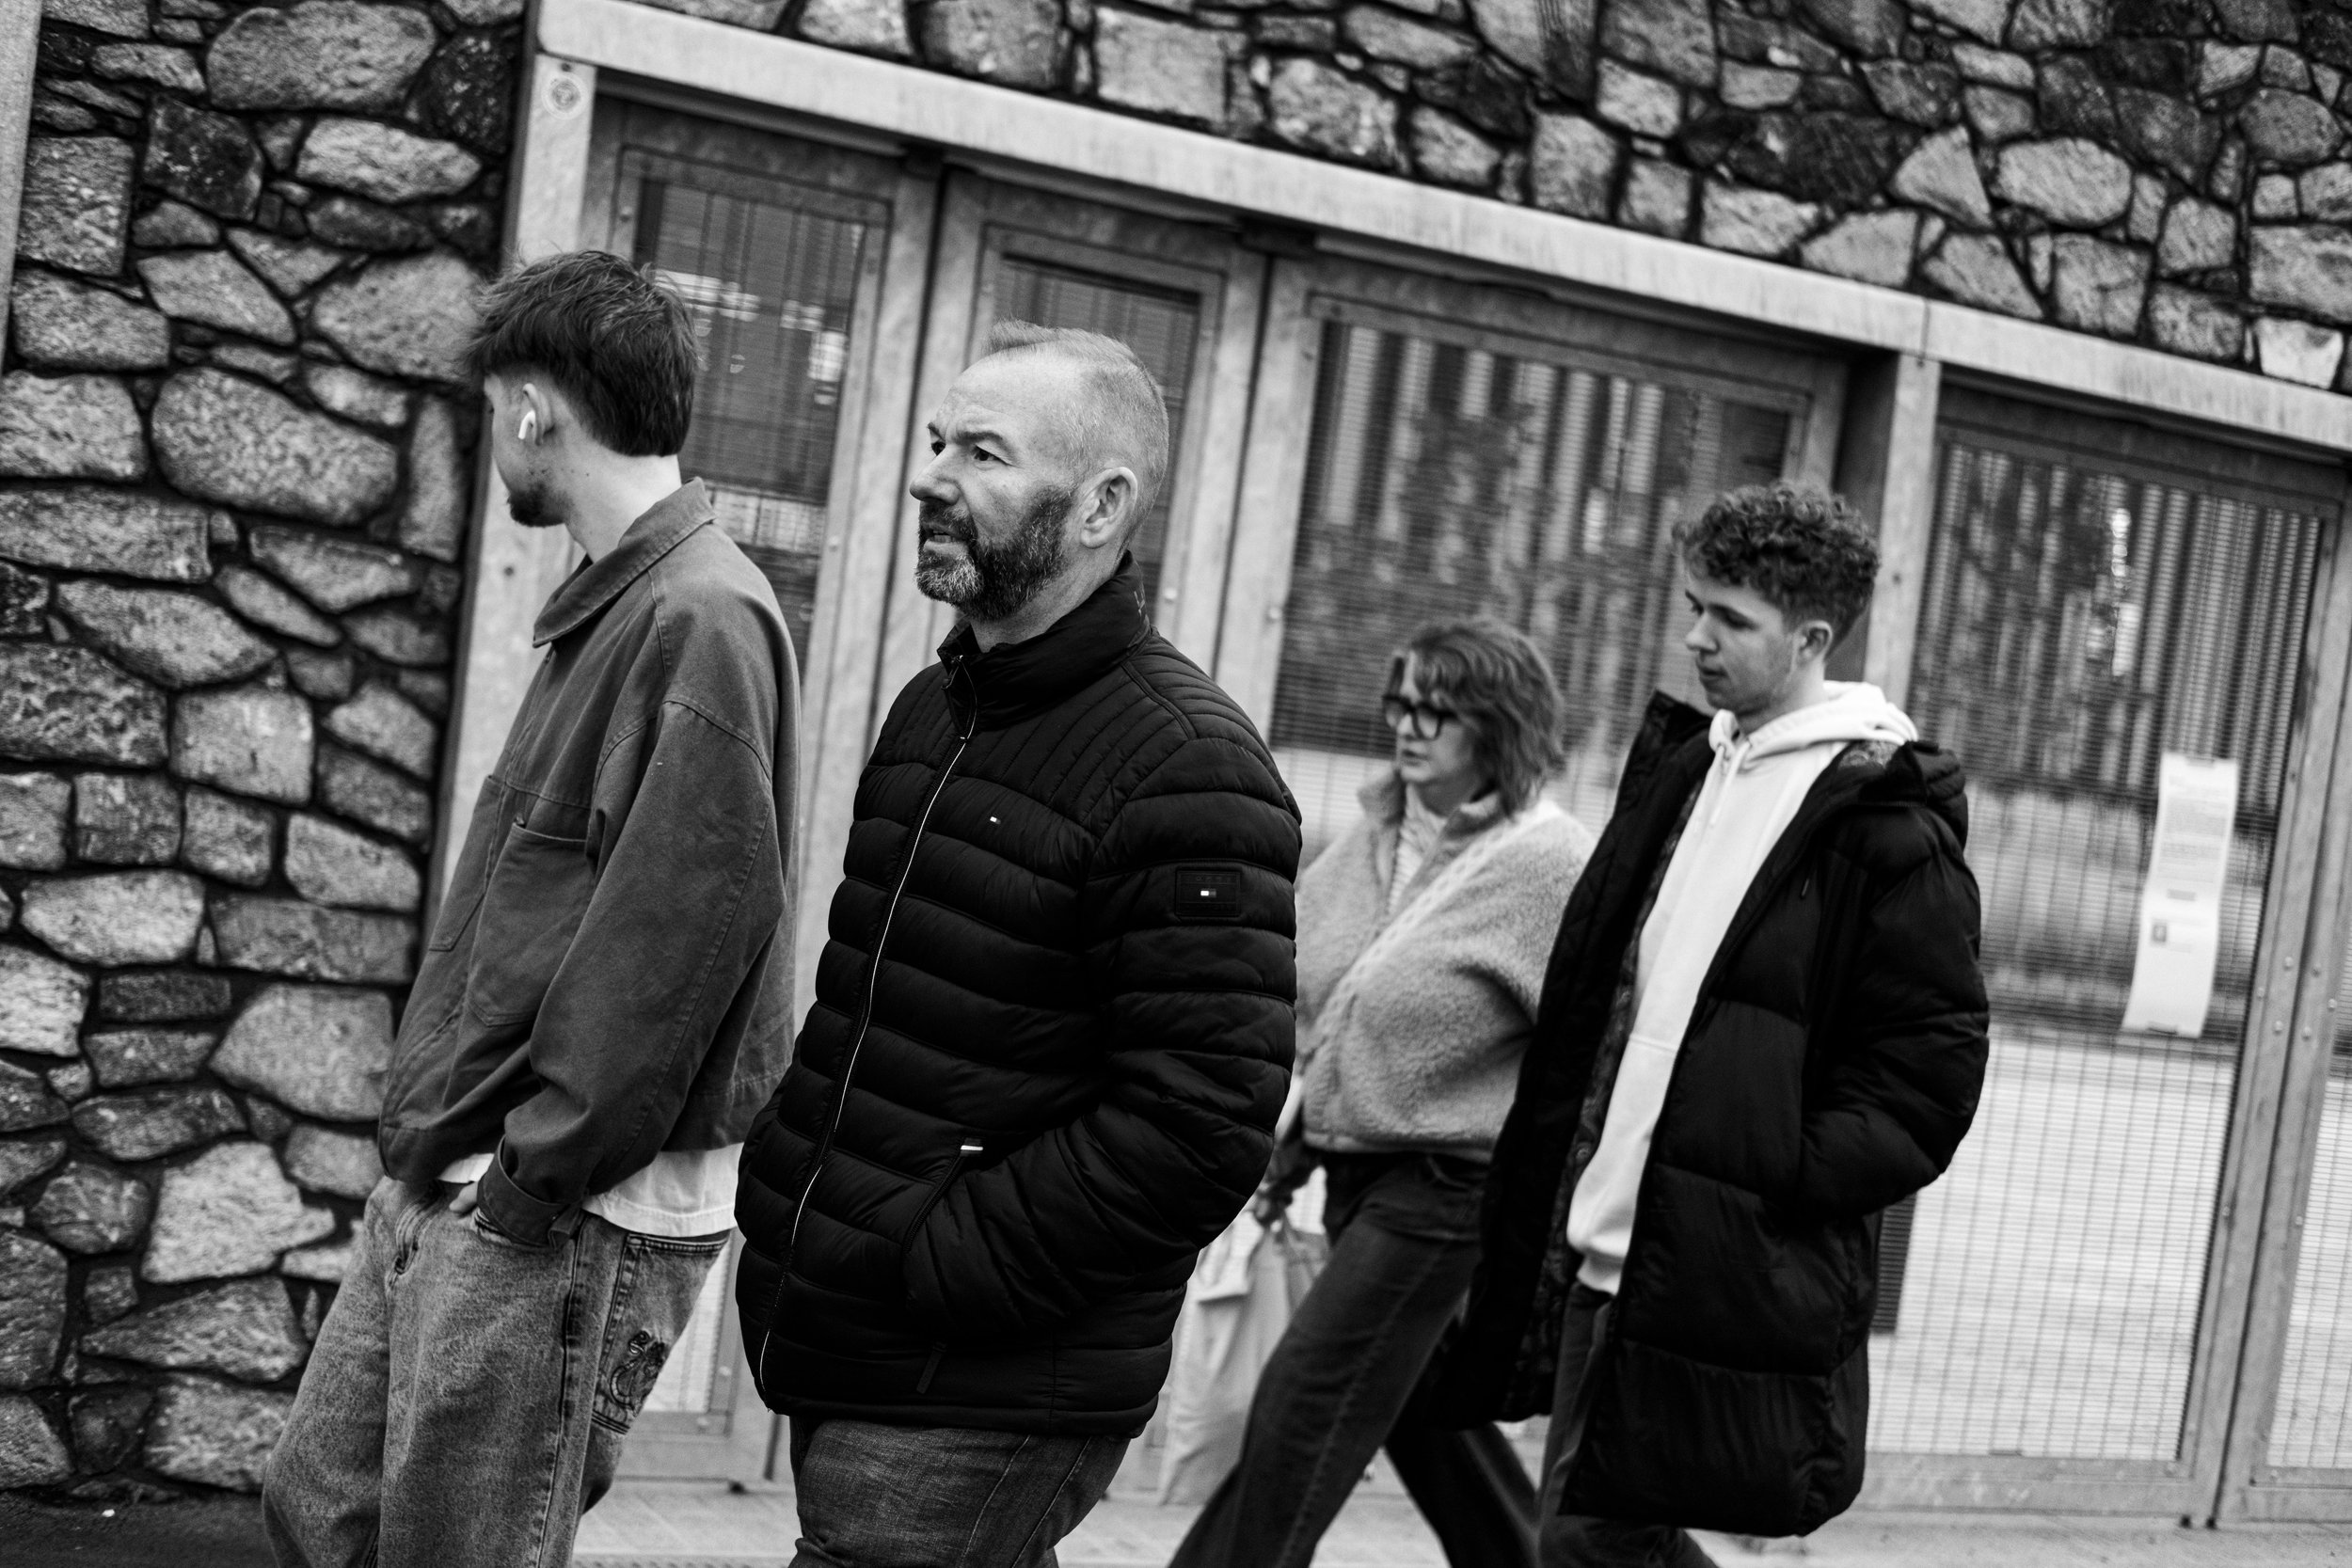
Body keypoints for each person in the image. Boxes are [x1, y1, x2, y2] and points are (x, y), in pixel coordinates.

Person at [733, 321, 1300, 1568]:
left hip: (985, 1369)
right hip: (852, 1324)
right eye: (938, 441)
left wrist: (945, 1252)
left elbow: (1203, 1120)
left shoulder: (1190, 765)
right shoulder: (937, 705)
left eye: (982, 452)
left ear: (1102, 505)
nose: (932, 474)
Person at [264, 251, 802, 1568]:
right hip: (468, 1176)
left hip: (554, 1210)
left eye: (490, 408)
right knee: (321, 1510)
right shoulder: (621, 605)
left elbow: (674, 948)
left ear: (531, 408)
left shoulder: (702, 617)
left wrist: (523, 1183)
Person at [1437, 483, 1989, 1564]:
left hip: (1710, 1257)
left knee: (1590, 1541)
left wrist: (1769, 1175)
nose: (1695, 636)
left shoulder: (1885, 825)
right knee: (1604, 1532)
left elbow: (1928, 1078)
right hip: (1600, 1246)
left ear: (1811, 637)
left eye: (1730, 618)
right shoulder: (1690, 766)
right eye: (1695, 604)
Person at [1168, 621, 1596, 1568]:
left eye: (1436, 710)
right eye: (1399, 701)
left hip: (1452, 1188)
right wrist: (1295, 1143)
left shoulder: (1548, 863)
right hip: (1357, 1179)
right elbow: (1332, 999)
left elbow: (1587, 1056)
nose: (1408, 726)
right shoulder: (1376, 834)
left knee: (1306, 1397)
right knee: (1418, 1405)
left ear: (1497, 726)